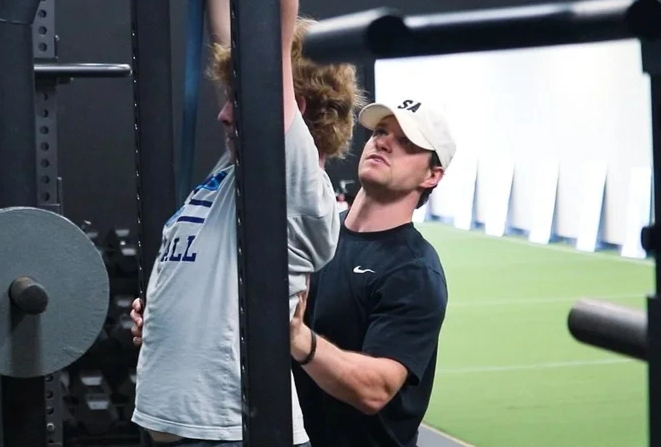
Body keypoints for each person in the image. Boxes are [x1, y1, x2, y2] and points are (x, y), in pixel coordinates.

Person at [128, 0, 365, 445]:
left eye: (238, 98)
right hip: (185, 432)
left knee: (258, 38)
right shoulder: (234, 174)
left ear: (292, 108)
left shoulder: (290, 179)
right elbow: (227, 33)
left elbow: (268, 32)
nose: (224, 114)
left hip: (235, 437)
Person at [132, 97, 456, 447]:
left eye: (406, 143)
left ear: (432, 175)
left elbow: (376, 390)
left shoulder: (414, 272)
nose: (383, 142)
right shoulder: (305, 231)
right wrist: (174, 319)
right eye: (380, 131)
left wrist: (298, 339)